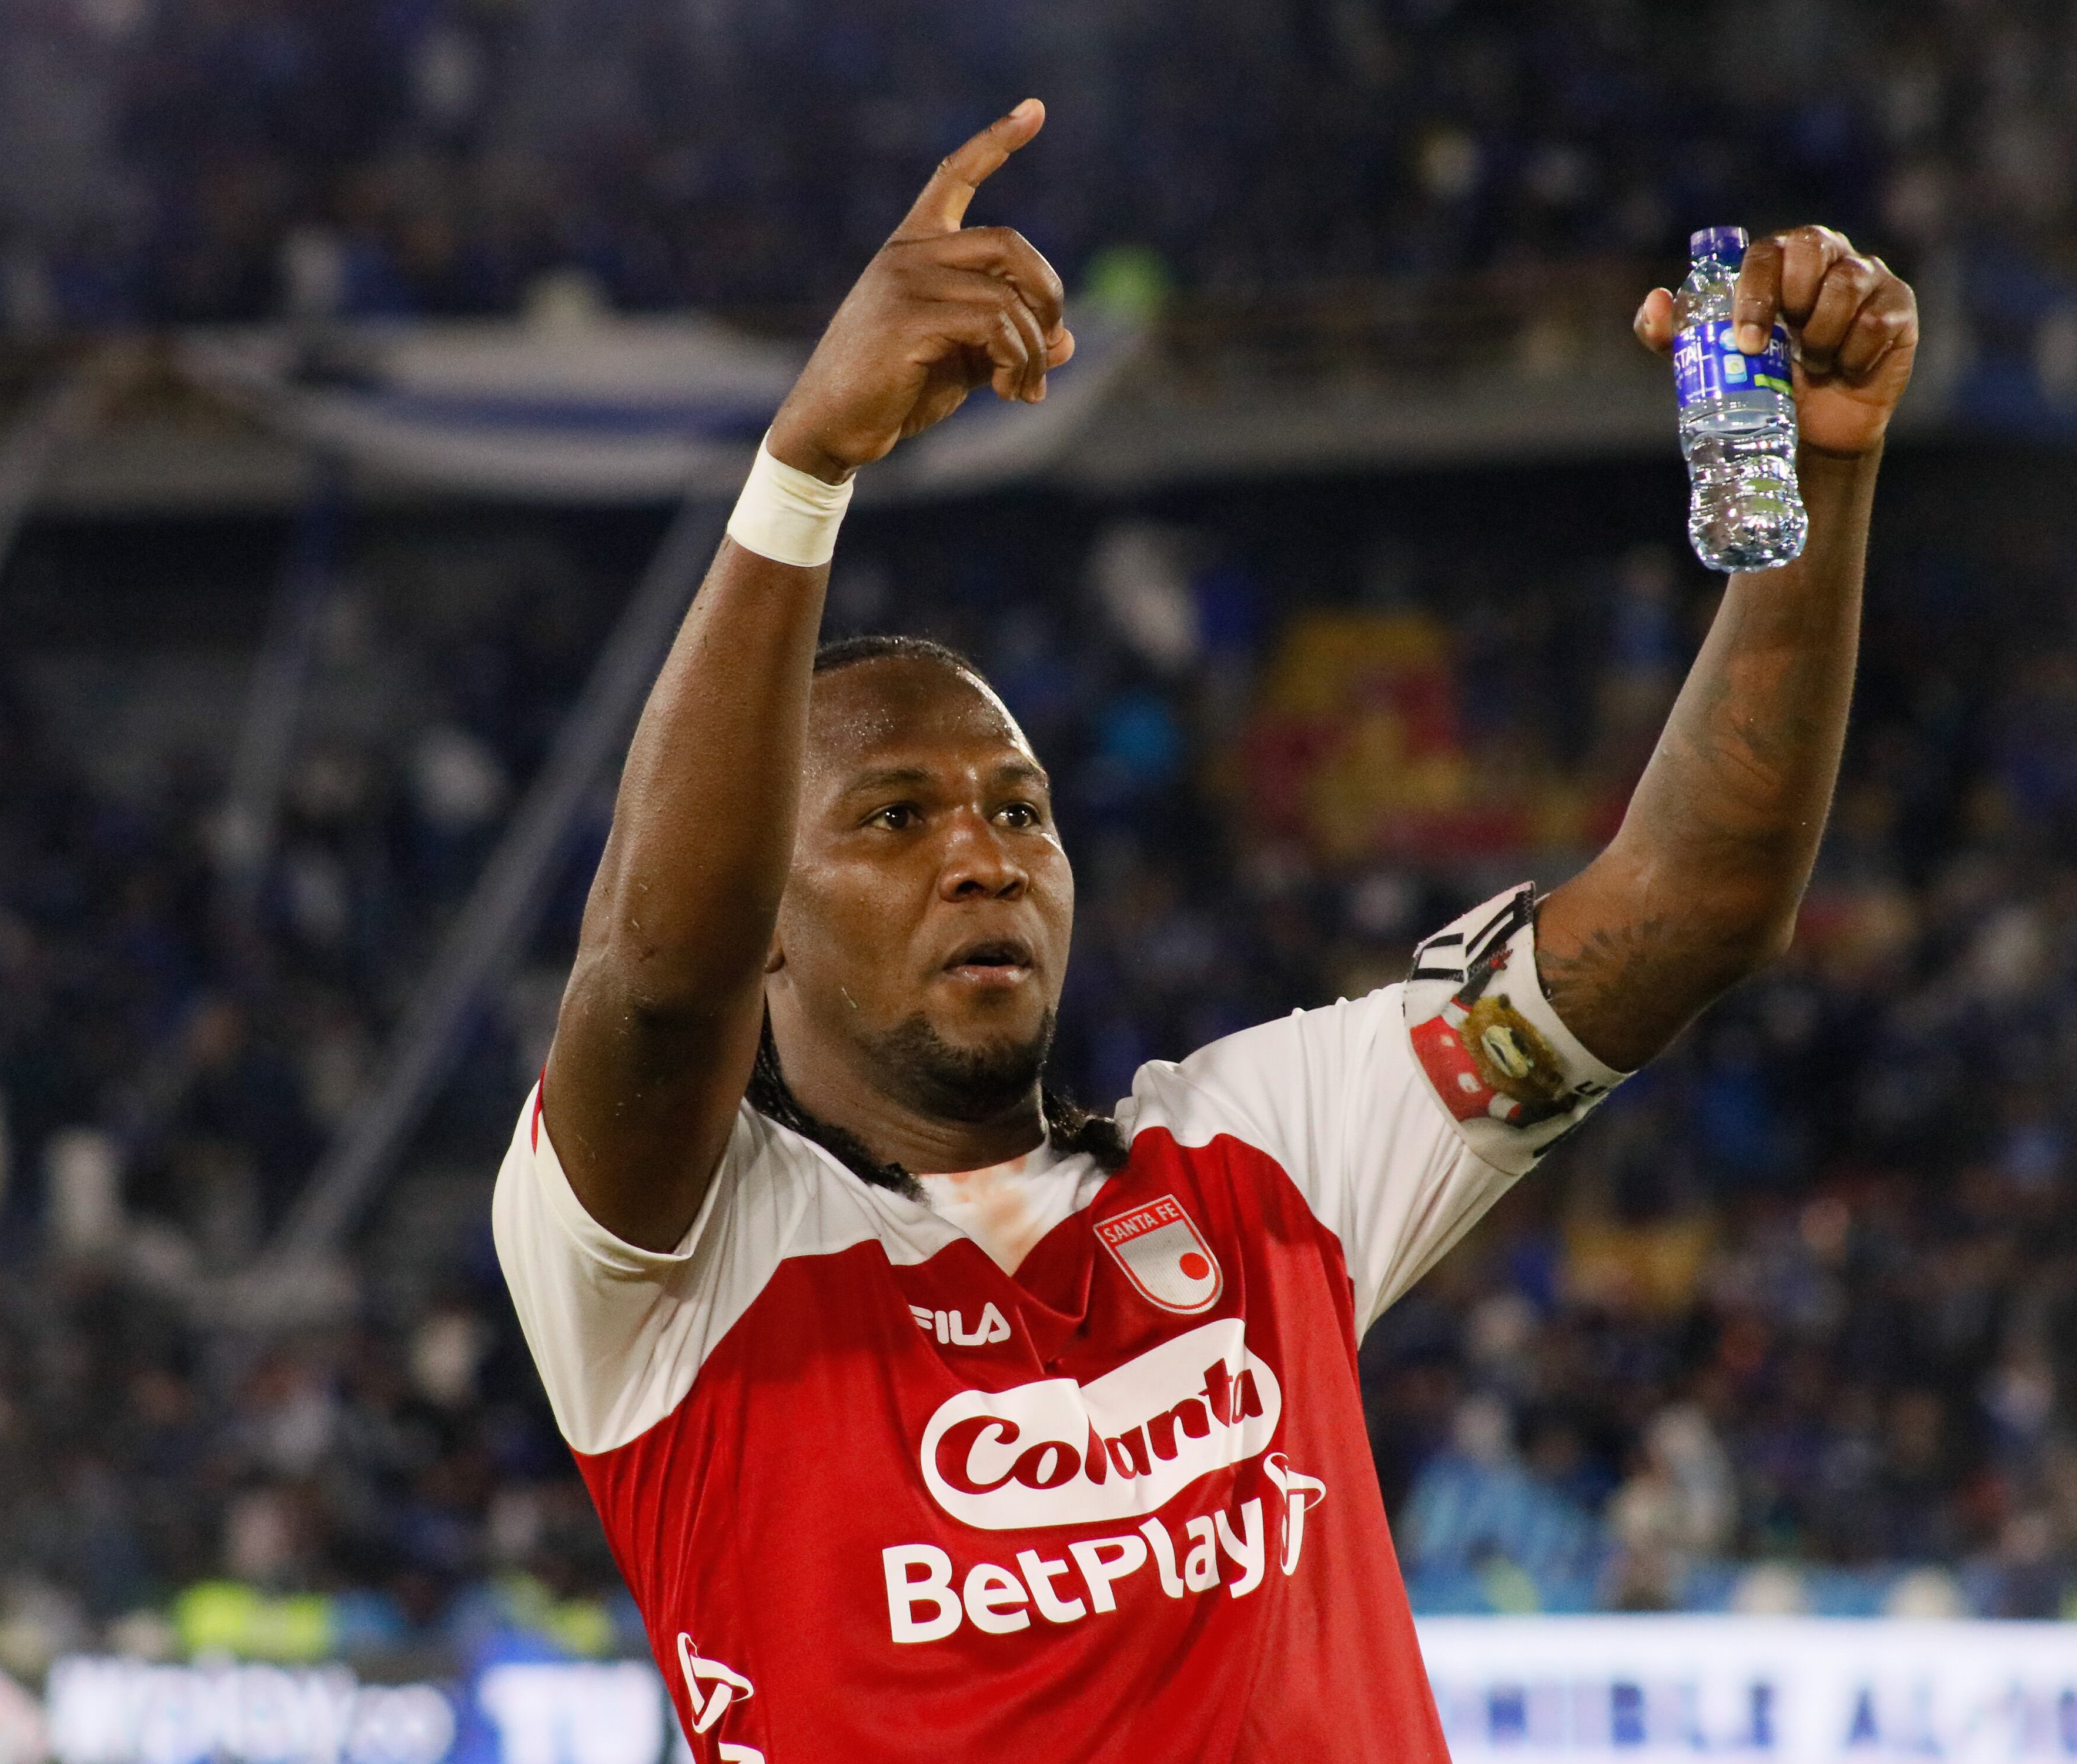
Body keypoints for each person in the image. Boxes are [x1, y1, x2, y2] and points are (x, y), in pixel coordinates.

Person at [494, 99, 1917, 1760]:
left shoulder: (1258, 1162)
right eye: (893, 818)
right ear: (770, 928)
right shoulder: (661, 1266)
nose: (982, 856)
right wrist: (802, 471)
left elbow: (1690, 912)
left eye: (1018, 809)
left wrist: (1812, 486)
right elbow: (659, 987)